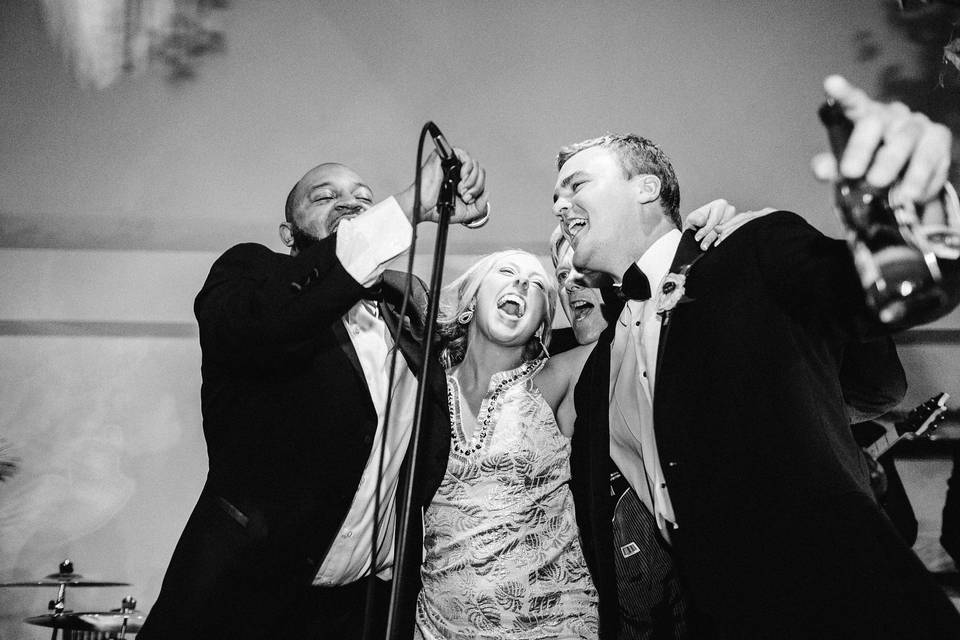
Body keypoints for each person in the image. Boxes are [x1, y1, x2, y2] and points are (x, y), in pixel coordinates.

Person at [554, 75, 960, 638]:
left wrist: (914, 214)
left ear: (647, 187)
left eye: (575, 184)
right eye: (555, 196)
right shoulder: (598, 369)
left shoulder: (751, 247)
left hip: (843, 601)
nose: (559, 203)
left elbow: (884, 298)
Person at [138, 152, 489, 640]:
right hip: (242, 598)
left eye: (363, 198)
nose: (349, 202)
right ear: (288, 233)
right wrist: (407, 205)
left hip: (358, 609)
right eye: (324, 196)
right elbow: (276, 319)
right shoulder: (251, 273)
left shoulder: (406, 311)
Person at [414, 249, 601, 639]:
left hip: (553, 626)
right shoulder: (421, 391)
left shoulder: (558, 378)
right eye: (506, 271)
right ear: (471, 301)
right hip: (437, 628)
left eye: (536, 285)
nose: (521, 283)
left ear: (540, 325)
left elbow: (645, 330)